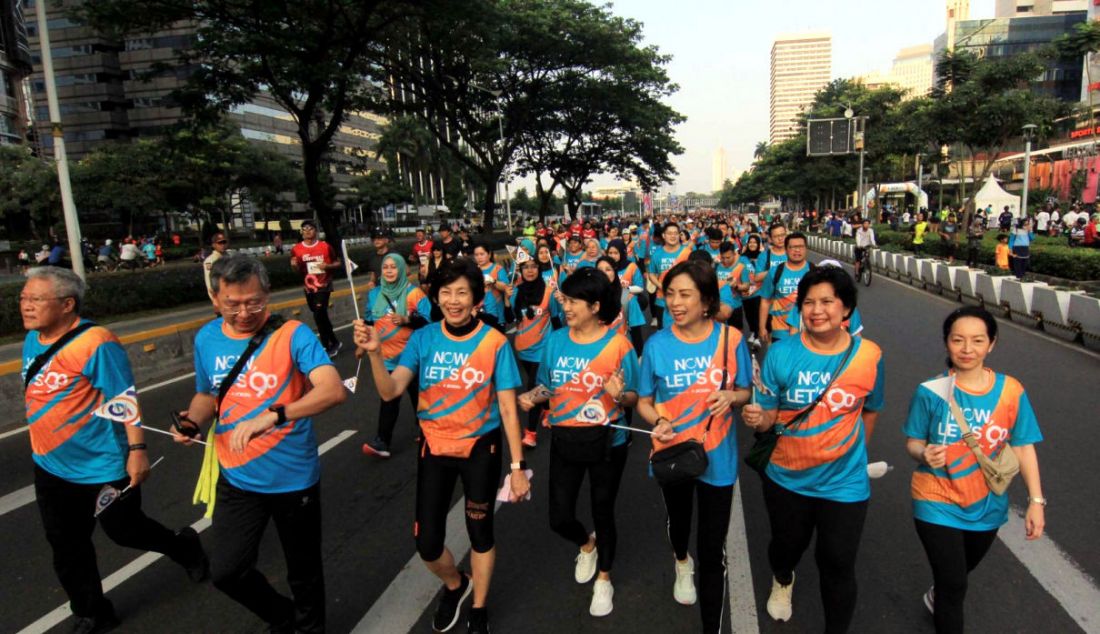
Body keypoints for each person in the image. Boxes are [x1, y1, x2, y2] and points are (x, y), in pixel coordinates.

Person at [22, 267, 208, 633]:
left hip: (104, 465)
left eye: (35, 299)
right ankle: (93, 611)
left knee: (125, 530)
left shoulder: (97, 342)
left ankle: (184, 548)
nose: (26, 306)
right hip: (50, 465)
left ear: (67, 304)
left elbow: (124, 398)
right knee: (66, 544)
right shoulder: (33, 339)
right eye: (23, 299)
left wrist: (137, 449)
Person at [354, 258, 530, 634]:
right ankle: (456, 584)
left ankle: (479, 607)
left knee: (480, 532)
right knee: (427, 544)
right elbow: (391, 390)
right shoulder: (423, 338)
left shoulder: (494, 342)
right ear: (437, 296)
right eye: (446, 292)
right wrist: (373, 352)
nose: (453, 300)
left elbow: (508, 409)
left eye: (462, 293)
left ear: (477, 299)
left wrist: (517, 469)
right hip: (434, 447)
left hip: (481, 448)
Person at [174, 254, 345, 633]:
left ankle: (308, 628)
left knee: (303, 571)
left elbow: (333, 390)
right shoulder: (207, 338)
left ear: (268, 294)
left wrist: (276, 414)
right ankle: (282, 617)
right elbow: (207, 395)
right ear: (215, 298)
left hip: (293, 476)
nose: (244, 312)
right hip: (236, 476)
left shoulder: (292, 335)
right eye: (232, 304)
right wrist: (191, 421)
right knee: (227, 571)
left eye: (254, 301)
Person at [741, 265, 884, 633]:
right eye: (808, 302)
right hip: (786, 477)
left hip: (845, 483)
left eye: (827, 302)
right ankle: (783, 577)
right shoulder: (780, 354)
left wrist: (855, 455)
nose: (816, 310)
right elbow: (770, 415)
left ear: (846, 309)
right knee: (787, 547)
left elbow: (870, 410)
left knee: (837, 562)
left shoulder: (869, 356)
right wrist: (758, 419)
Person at [903, 306, 1045, 634]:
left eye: (978, 340)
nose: (967, 349)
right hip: (935, 498)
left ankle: (939, 591)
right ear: (946, 343)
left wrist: (1036, 502)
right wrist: (924, 452)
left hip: (987, 504)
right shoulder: (931, 391)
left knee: (958, 574)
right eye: (958, 340)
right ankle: (944, 594)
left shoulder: (1011, 391)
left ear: (991, 344)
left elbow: (1024, 446)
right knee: (954, 586)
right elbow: (912, 442)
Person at [636, 260, 752, 634]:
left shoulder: (730, 340)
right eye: (670, 293)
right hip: (672, 453)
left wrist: (731, 397)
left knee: (712, 550)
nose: (674, 302)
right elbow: (642, 400)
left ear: (706, 301)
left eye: (685, 294)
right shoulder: (657, 344)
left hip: (718, 457)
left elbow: (746, 391)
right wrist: (658, 420)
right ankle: (680, 560)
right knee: (680, 524)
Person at [518, 267, 639, 618]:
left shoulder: (618, 345)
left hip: (607, 441)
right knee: (559, 516)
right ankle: (587, 545)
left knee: (603, 510)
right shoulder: (556, 340)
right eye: (565, 300)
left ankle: (604, 578)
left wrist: (622, 396)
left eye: (573, 301)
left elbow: (633, 396)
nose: (566, 307)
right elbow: (547, 385)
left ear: (595, 306)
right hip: (565, 439)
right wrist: (531, 397)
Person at [361, 253, 432, 457]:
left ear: (401, 269)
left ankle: (428, 431)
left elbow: (430, 321)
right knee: (389, 398)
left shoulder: (414, 293)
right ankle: (382, 441)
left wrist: (407, 319)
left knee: (419, 398)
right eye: (386, 267)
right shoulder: (375, 294)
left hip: (413, 357)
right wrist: (362, 341)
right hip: (387, 359)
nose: (390, 271)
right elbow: (369, 320)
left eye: (394, 267)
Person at [510, 257, 555, 448]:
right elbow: (508, 318)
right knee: (539, 384)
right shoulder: (516, 292)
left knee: (533, 387)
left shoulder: (549, 290)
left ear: (539, 269)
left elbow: (559, 317)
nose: (530, 271)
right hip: (523, 347)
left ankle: (530, 433)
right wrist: (506, 298)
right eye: (525, 267)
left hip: (544, 347)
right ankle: (547, 408)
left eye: (533, 267)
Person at [290, 220, 343, 356]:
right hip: (308, 288)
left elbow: (338, 263)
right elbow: (297, 271)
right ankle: (335, 341)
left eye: (310, 228)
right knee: (320, 316)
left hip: (324, 286)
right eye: (304, 229)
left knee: (319, 314)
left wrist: (328, 266)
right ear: (301, 232)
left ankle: (325, 347)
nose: (307, 231)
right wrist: (294, 265)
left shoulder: (325, 247)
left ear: (316, 231)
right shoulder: (296, 249)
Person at [758, 232, 811, 346]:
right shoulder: (775, 272)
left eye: (801, 247)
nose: (797, 250)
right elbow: (765, 300)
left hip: (808, 329)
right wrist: (762, 327)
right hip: (780, 330)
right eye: (793, 247)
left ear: (806, 249)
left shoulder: (814, 271)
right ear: (786, 249)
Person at [596, 256, 647, 353]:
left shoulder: (628, 297)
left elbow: (636, 333)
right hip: (597, 354)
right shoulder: (589, 298)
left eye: (608, 269)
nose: (603, 273)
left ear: (615, 273)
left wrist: (639, 358)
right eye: (599, 270)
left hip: (621, 352)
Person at [646, 222, 690, 329]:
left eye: (675, 233)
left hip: (684, 301)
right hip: (662, 300)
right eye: (669, 233)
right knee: (664, 333)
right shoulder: (657, 254)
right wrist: (661, 286)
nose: (673, 236)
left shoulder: (687, 252)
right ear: (663, 235)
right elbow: (651, 273)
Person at [472, 243, 510, 331]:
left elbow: (506, 287)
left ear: (489, 254)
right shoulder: (473, 271)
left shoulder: (498, 269)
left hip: (497, 313)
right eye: (476, 255)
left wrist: (493, 281)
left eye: (482, 254)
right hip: (479, 314)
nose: (479, 257)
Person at [203, 232, 229, 299]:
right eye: (220, 243)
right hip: (219, 294)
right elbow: (209, 280)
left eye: (224, 242)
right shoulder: (210, 260)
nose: (222, 245)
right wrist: (214, 298)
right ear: (214, 245)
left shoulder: (229, 257)